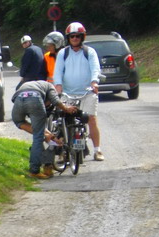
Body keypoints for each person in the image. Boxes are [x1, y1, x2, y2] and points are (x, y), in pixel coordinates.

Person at [53, 22, 104, 161]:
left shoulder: (90, 52)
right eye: (72, 36)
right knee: (62, 120)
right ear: (68, 38)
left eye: (77, 36)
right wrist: (58, 85)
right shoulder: (63, 53)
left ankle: (97, 150)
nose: (75, 38)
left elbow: (95, 69)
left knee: (91, 119)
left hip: (87, 92)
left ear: (82, 37)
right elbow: (57, 72)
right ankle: (63, 151)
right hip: (68, 93)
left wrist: (94, 82)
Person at [12, 80, 76, 179]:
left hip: (19, 100)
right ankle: (34, 171)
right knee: (38, 137)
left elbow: (15, 98)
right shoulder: (50, 86)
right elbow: (55, 101)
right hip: (35, 99)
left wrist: (46, 133)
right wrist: (66, 108)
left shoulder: (31, 84)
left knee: (19, 121)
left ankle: (45, 136)